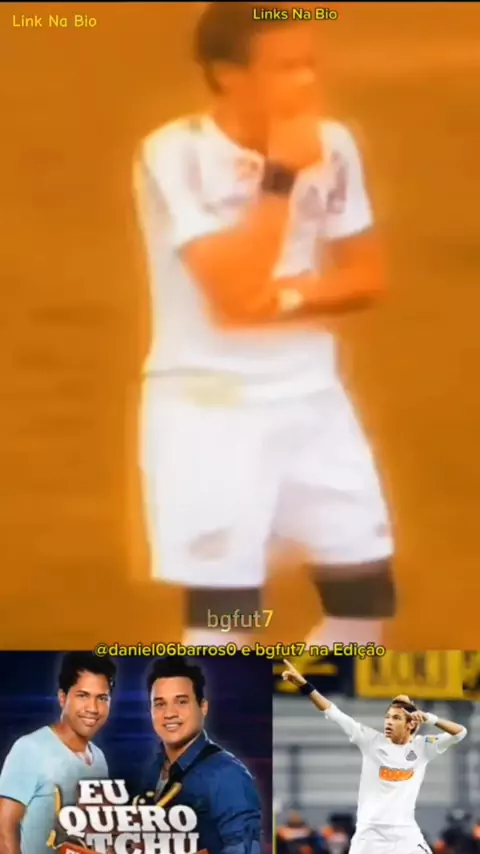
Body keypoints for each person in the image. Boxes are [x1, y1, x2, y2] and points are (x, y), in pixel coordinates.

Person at [133, 0, 395, 647]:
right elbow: (232, 294)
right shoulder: (174, 154)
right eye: (286, 68)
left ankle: (309, 708)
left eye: (310, 64)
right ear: (229, 75)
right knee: (229, 622)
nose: (306, 82)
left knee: (365, 599)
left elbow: (367, 277)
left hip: (314, 400)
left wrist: (284, 299)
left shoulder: (334, 144)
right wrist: (281, 176)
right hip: (210, 407)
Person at [282, 660, 468, 854]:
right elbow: (332, 712)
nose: (388, 722)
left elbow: (460, 733)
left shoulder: (423, 747)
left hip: (404, 833)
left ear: (411, 724)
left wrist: (430, 718)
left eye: (396, 718)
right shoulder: (370, 740)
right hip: (369, 833)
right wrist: (305, 685)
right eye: (387, 717)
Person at [143, 655, 262, 854]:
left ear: (203, 707)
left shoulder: (226, 774)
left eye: (181, 702)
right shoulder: (153, 769)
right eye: (160, 704)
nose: (169, 713)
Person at [0, 651, 115, 854]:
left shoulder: (99, 758)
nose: (93, 708)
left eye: (102, 698)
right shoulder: (31, 749)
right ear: (63, 698)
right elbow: (3, 829)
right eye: (83, 695)